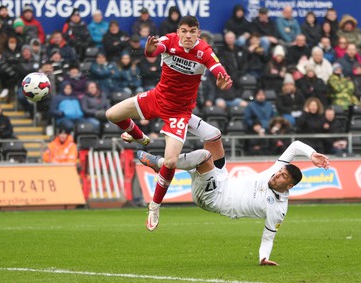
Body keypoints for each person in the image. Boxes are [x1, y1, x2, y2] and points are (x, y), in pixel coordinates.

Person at [137, 117, 329, 265]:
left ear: (289, 186)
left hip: (212, 198)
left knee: (204, 156)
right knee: (213, 134)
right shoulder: (274, 172)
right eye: (280, 172)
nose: (277, 175)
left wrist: (263, 258)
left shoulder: (278, 209)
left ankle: (160, 164)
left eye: (283, 177)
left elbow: (268, 236)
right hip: (222, 179)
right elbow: (295, 146)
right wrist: (312, 154)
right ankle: (179, 113)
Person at [105, 16, 232, 231]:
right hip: (156, 98)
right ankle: (141, 138)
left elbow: (218, 70)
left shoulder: (204, 50)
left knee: (170, 161)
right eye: (184, 31)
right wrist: (149, 50)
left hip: (179, 113)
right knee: (111, 114)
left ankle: (154, 206)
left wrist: (222, 80)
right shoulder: (169, 40)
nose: (188, 35)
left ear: (198, 33)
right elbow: (154, 51)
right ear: (178, 31)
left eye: (192, 31)